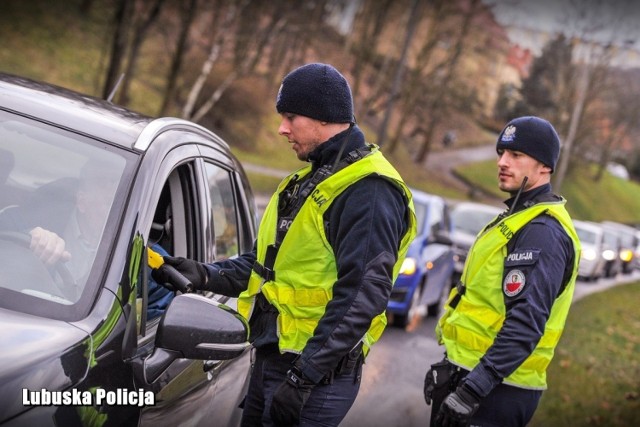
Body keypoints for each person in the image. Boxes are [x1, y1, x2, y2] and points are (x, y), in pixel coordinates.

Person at [152, 62, 417, 426]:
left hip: (314, 377)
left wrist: (303, 377)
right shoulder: (312, 179)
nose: (281, 128)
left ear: (324, 117)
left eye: (291, 117)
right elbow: (268, 268)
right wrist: (203, 274)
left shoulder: (368, 190)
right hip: (274, 359)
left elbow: (361, 296)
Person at [423, 116, 581, 427]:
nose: (502, 162)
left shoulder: (542, 231)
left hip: (497, 392)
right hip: (473, 379)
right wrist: (450, 368)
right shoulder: (516, 217)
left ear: (544, 167)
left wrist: (471, 390)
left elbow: (526, 324)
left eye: (516, 155)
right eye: (501, 153)